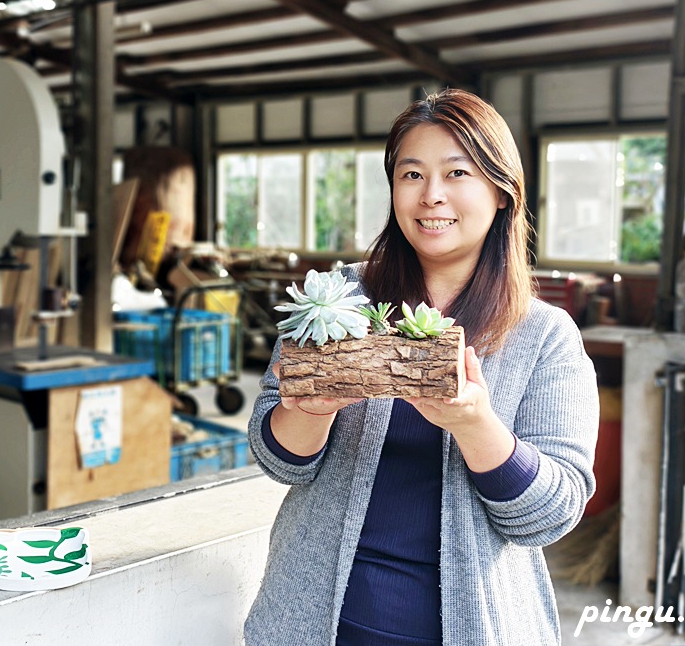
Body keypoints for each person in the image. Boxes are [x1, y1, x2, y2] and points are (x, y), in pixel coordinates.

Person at [244, 89, 599, 646]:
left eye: (457, 173)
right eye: (412, 174)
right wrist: (309, 410)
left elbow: (550, 515)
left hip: (474, 629)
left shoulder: (545, 335)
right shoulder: (337, 299)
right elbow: (278, 461)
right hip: (312, 623)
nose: (431, 195)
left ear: (501, 191)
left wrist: (475, 425)